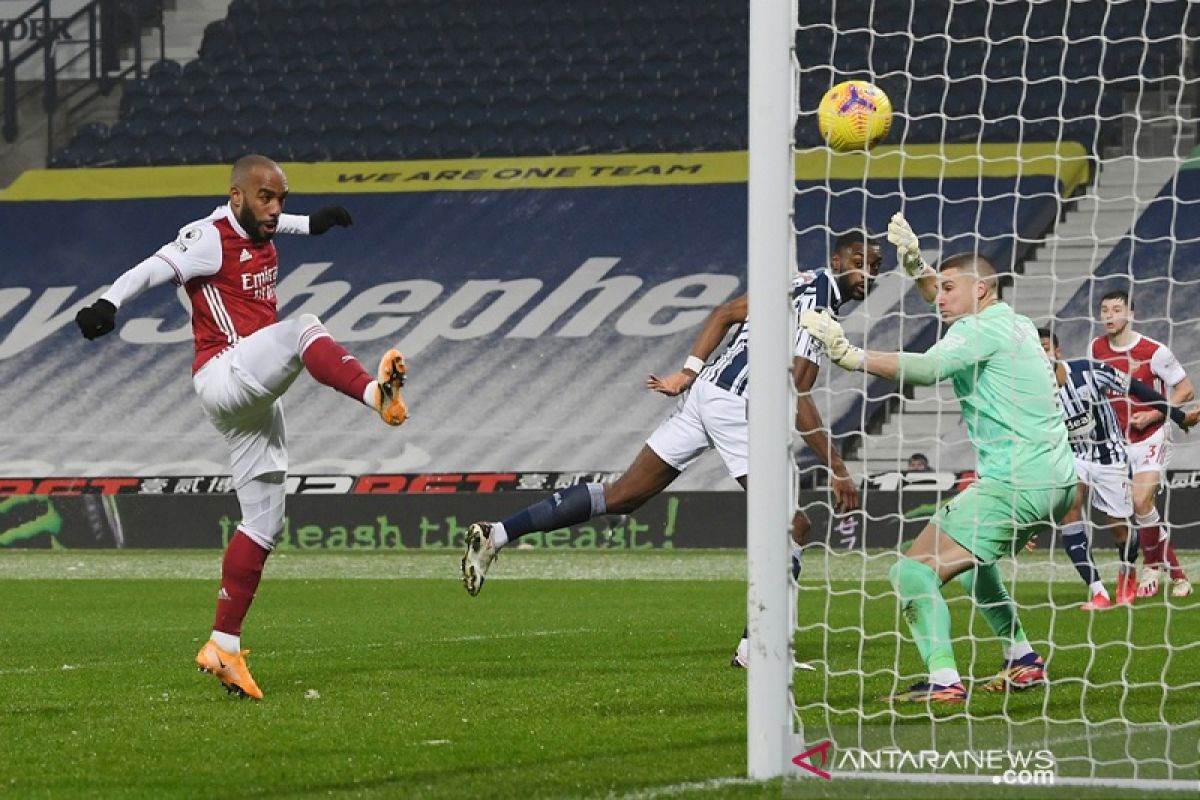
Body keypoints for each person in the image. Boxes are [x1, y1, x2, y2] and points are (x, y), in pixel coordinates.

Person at [460, 231, 883, 666]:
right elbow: (796, 390)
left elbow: (724, 314)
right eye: (859, 260)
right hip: (735, 404)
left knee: (622, 494)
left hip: (705, 394)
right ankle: (757, 647)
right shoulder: (817, 304)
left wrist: (688, 372)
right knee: (793, 526)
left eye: (875, 266)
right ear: (836, 260)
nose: (867, 272)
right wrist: (837, 466)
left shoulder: (798, 281)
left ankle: (497, 533)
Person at [74, 155, 409, 700]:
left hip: (251, 392)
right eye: (266, 198)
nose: (277, 209)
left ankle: (223, 647)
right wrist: (109, 302)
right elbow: (154, 266)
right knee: (303, 328)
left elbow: (278, 222)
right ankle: (377, 394)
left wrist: (313, 223)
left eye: (282, 198)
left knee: (264, 522)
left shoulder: (263, 223)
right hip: (225, 371)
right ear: (236, 197)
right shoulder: (207, 237)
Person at [799, 213, 1075, 703]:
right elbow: (945, 298)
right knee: (974, 564)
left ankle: (945, 680)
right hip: (1056, 480)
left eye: (950, 288)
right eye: (938, 287)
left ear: (983, 290)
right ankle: (1023, 659)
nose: (939, 297)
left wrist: (849, 355)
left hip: (1016, 480)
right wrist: (915, 265)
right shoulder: (1016, 323)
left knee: (911, 572)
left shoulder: (979, 331)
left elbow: (928, 368)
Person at [1038, 328, 1197, 609]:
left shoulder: (1088, 371)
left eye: (1046, 347)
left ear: (1057, 352)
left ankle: (1128, 570)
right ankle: (1098, 591)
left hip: (1109, 455)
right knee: (1069, 507)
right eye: (1035, 350)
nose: (1041, 354)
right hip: (1073, 456)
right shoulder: (1034, 394)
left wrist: (1179, 415)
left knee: (1121, 531)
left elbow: (1135, 387)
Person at [1091, 290, 1194, 599]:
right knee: (1135, 510)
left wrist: (1153, 414)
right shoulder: (1096, 348)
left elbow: (1185, 390)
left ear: (1131, 314)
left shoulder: (1154, 350)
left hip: (1151, 435)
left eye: (1116, 309)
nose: (1109, 315)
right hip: (1116, 440)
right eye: (1104, 310)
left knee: (1140, 502)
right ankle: (1173, 573)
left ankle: (1155, 567)